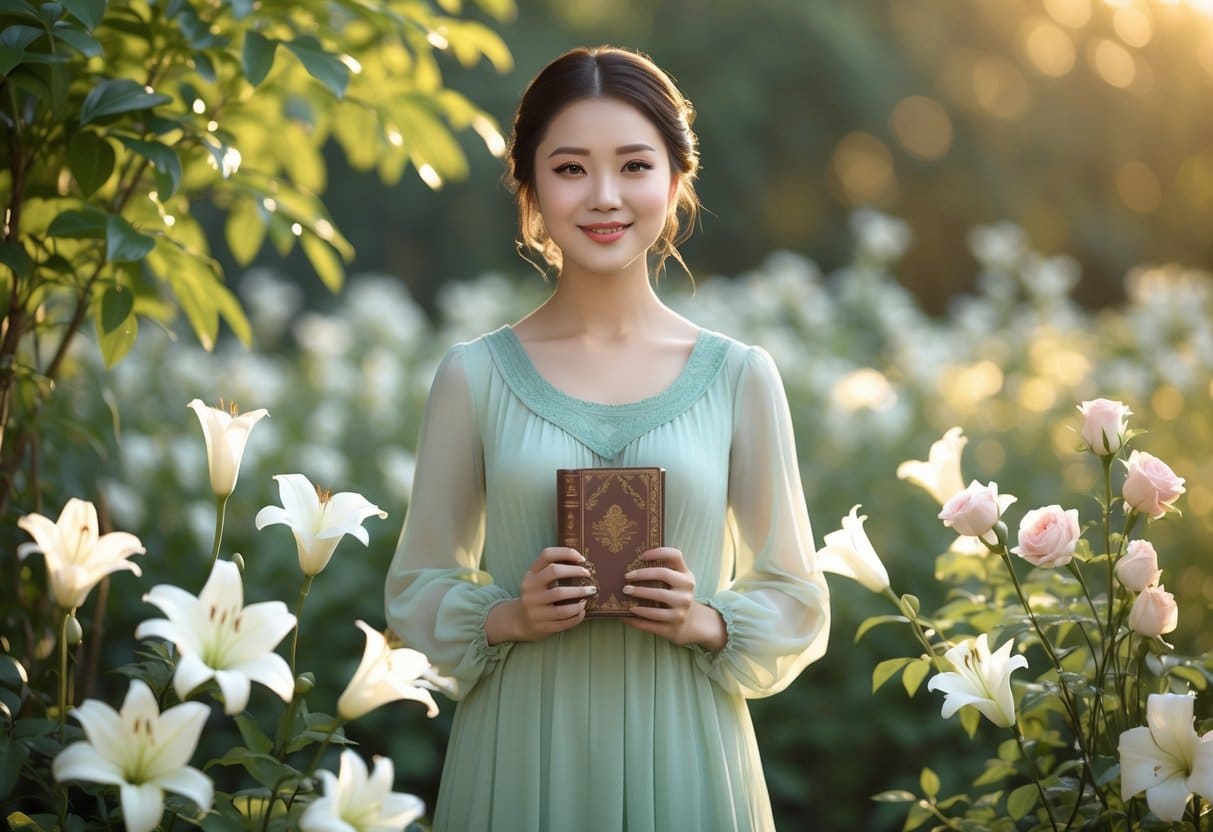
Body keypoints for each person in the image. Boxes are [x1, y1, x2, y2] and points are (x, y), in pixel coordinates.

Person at [385, 45, 830, 831]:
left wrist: (707, 620)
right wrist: (506, 617)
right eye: (568, 169)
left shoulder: (739, 377)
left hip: (689, 752)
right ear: (528, 187)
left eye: (632, 165)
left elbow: (796, 595)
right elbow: (415, 589)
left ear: (674, 180)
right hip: (521, 755)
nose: (602, 197)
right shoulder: (472, 377)